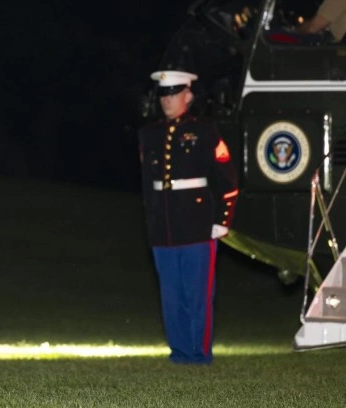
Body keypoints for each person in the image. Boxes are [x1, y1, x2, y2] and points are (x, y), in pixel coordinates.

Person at [137, 70, 238, 365]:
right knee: (171, 293)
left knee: (198, 292)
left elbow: (228, 179)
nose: (166, 100)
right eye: (163, 94)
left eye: (173, 93)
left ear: (188, 96)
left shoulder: (205, 130)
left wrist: (222, 220)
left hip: (197, 223)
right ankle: (179, 351)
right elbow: (147, 185)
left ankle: (198, 352)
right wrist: (151, 221)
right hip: (164, 225)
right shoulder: (149, 134)